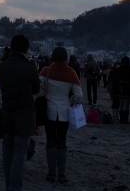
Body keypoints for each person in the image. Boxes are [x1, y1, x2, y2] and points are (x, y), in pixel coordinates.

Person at [0, 34, 40, 191]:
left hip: (6, 113)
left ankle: (9, 185)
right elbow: (36, 89)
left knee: (7, 153)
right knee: (19, 155)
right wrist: (35, 70)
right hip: (23, 115)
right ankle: (14, 187)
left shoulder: (2, 66)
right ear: (26, 48)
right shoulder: (29, 67)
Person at [39, 46, 82, 184]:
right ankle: (62, 174)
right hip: (64, 112)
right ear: (66, 58)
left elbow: (38, 88)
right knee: (62, 142)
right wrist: (69, 99)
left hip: (49, 111)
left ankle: (51, 173)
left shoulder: (46, 71)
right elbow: (79, 95)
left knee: (50, 141)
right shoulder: (71, 73)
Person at [113, 57, 130, 123]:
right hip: (128, 89)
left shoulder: (119, 69)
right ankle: (126, 118)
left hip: (120, 88)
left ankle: (121, 118)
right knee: (127, 104)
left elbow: (115, 79)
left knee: (121, 104)